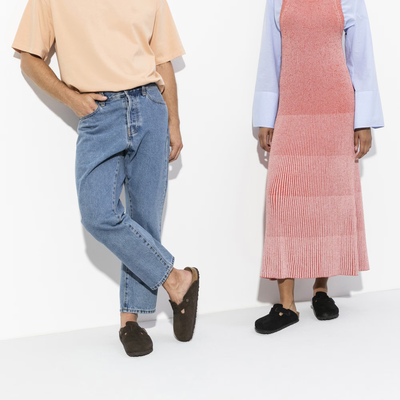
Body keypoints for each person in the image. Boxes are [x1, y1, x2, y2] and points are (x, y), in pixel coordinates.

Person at [11, 0, 200, 356]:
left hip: (150, 104)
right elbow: (28, 57)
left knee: (144, 219)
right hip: (99, 115)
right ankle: (178, 279)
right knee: (99, 214)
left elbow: (162, 60)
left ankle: (130, 321)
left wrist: (174, 121)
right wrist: (71, 98)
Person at [253, 0, 384, 334]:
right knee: (283, 202)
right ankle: (285, 304)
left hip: (336, 109)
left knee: (328, 201)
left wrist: (362, 121)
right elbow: (271, 55)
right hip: (292, 107)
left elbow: (361, 56)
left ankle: (320, 290)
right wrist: (266, 115)